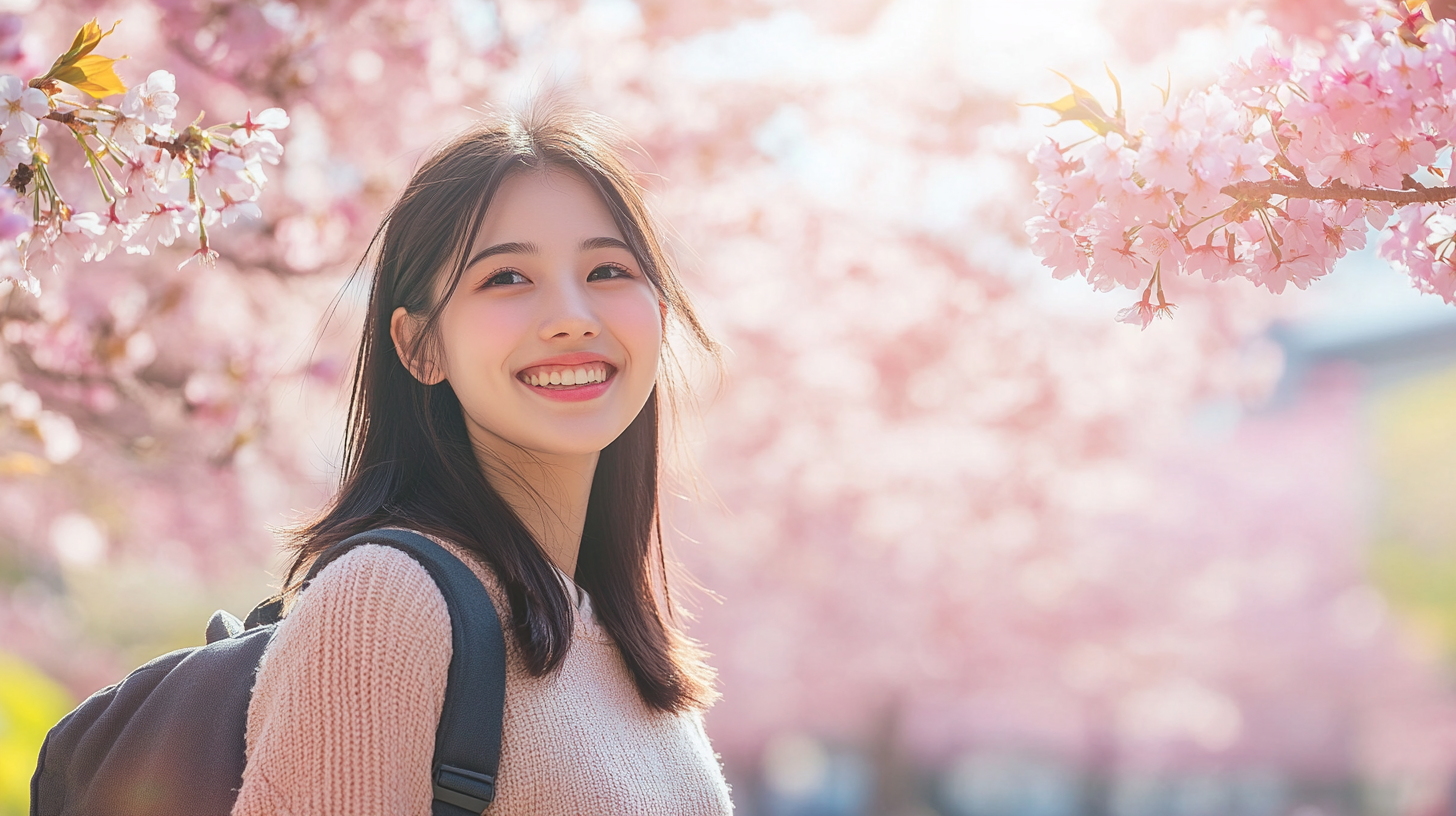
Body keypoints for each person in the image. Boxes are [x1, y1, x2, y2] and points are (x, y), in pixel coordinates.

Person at [231, 103, 733, 815]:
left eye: (608, 269)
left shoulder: (627, 649)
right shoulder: (386, 602)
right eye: (505, 278)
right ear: (419, 347)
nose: (572, 315)